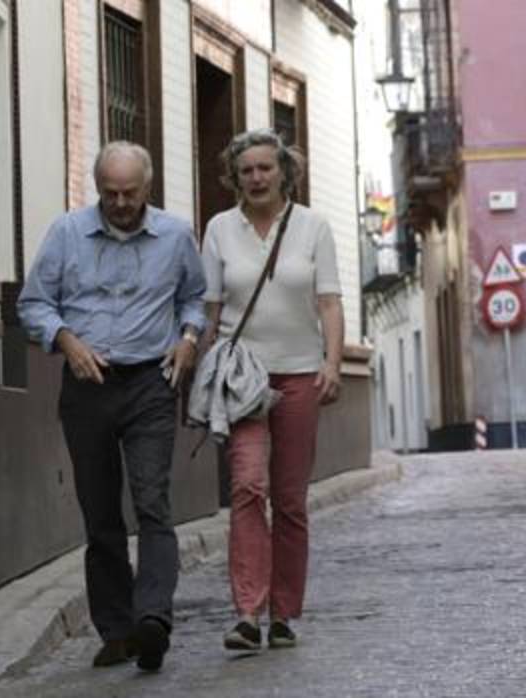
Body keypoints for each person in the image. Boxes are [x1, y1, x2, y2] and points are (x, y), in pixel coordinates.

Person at [18, 141, 207, 671]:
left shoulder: (175, 235)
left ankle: (153, 620)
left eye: (130, 192)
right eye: (110, 193)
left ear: (148, 187)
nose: (120, 203)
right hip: (88, 385)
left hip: (151, 381)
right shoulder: (66, 234)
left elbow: (193, 298)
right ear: (97, 187)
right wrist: (67, 342)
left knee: (152, 503)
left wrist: (189, 338)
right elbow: (33, 303)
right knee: (100, 513)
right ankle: (117, 630)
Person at [200, 129, 343, 651]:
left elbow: (329, 301)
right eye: (246, 171)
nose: (257, 178)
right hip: (243, 379)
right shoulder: (219, 229)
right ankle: (246, 612)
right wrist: (199, 372)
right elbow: (211, 311)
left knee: (288, 499)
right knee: (246, 487)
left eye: (265, 168)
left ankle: (283, 613)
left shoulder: (313, 227)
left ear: (284, 171)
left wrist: (331, 362)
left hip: (301, 374)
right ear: (234, 178)